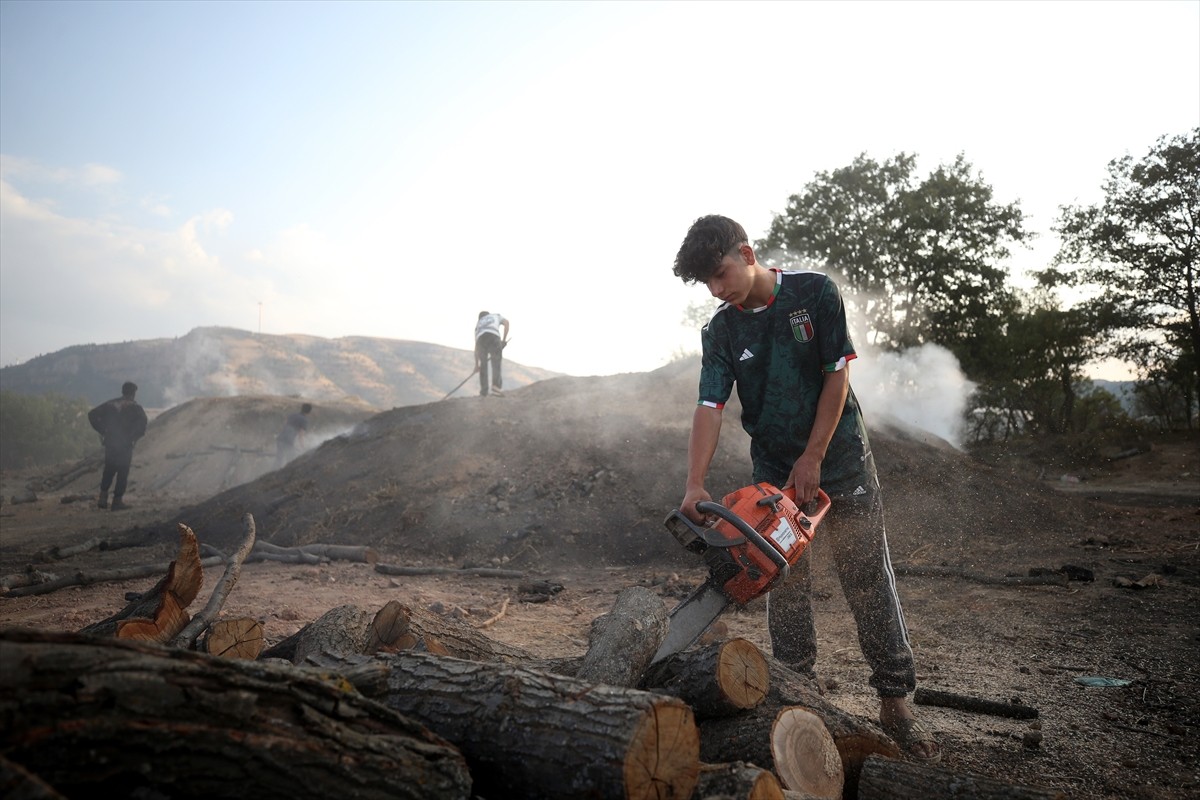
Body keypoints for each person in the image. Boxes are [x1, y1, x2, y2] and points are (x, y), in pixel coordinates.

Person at [670, 214, 941, 763]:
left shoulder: (815, 293)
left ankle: (895, 701)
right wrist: (695, 482)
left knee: (866, 573)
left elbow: (837, 373)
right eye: (707, 284)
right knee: (783, 580)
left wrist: (814, 454)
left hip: (840, 458)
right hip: (772, 470)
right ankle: (800, 692)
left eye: (721, 274)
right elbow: (709, 405)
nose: (717, 290)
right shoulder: (721, 330)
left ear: (746, 254)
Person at [88, 381, 149, 511]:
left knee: (109, 469)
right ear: (133, 393)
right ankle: (117, 501)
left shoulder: (110, 404)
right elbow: (143, 425)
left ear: (122, 391)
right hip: (125, 444)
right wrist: (133, 438)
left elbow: (91, 415)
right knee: (122, 471)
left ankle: (103, 498)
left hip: (111, 443)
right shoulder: (136, 408)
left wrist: (103, 430)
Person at [474, 310, 510, 397]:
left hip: (481, 339)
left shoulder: (478, 325)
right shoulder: (495, 316)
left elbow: (476, 349)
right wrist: (503, 340)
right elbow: (506, 323)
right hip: (493, 336)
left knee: (483, 365)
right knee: (496, 362)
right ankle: (496, 387)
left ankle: (484, 391)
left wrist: (476, 365)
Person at [276, 402, 313, 468]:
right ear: (309, 412)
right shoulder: (304, 420)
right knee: (291, 460)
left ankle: (274, 471)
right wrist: (303, 447)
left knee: (279, 459)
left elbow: (284, 425)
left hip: (280, 439)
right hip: (288, 442)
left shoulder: (292, 415)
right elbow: (301, 436)